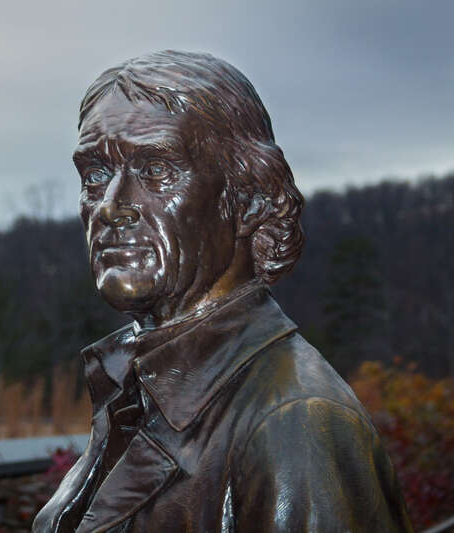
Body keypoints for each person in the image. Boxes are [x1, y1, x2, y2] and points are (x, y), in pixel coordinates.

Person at [32, 51, 413, 533]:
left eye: (156, 170)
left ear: (249, 196)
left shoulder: (292, 423)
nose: (111, 207)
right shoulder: (137, 391)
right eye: (96, 175)